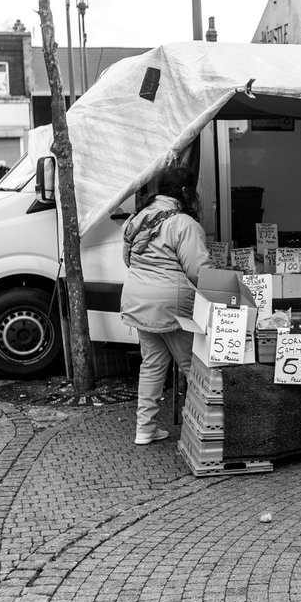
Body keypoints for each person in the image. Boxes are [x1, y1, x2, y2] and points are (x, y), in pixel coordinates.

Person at [120, 166, 211, 445]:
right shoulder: (183, 224)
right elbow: (199, 271)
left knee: (151, 365)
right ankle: (203, 429)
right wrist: (227, 288)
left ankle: (144, 430)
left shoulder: (137, 219)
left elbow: (128, 260)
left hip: (138, 301)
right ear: (184, 192)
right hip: (172, 305)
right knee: (192, 367)